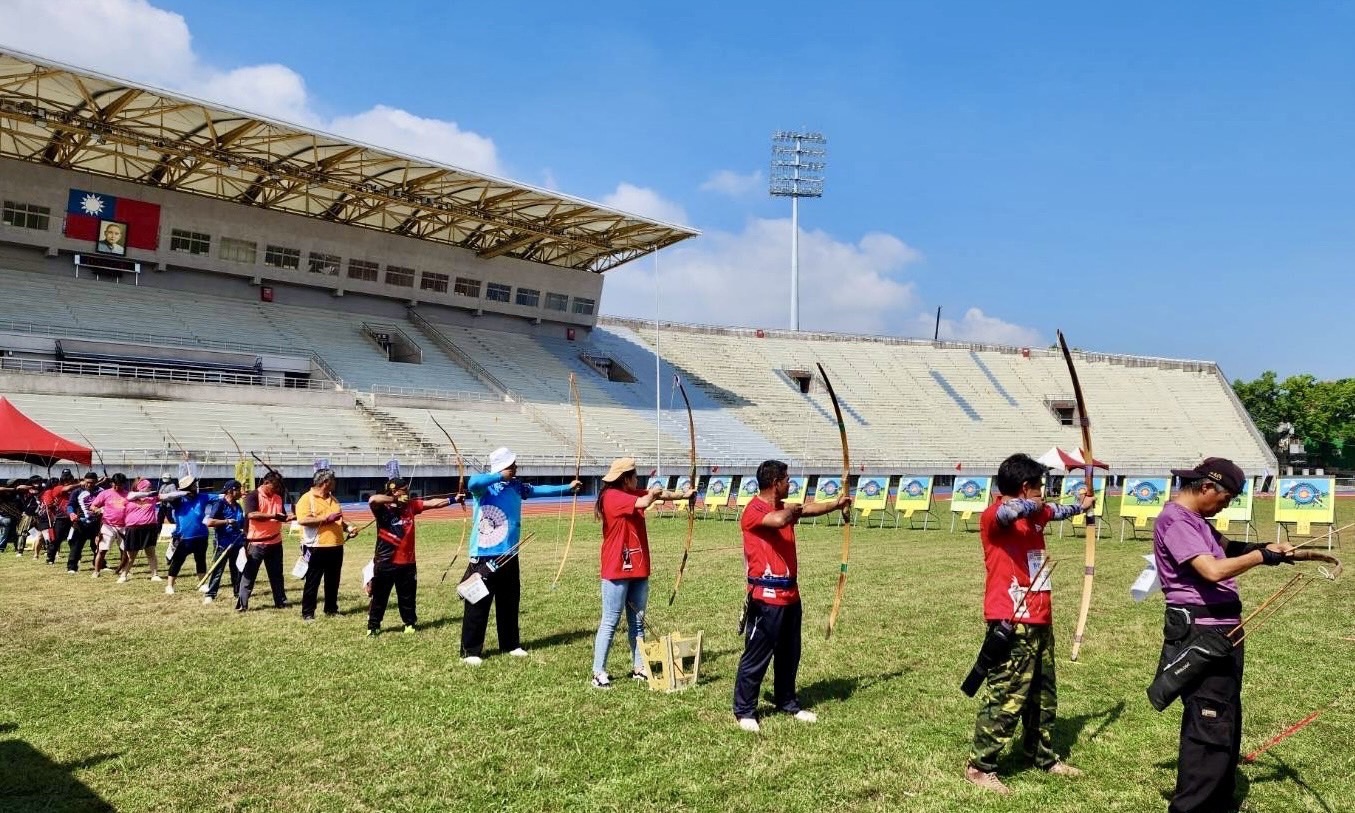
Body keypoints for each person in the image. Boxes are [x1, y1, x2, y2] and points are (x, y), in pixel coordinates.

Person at [1153, 458, 1295, 813]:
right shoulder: (1175, 519)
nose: (1227, 504)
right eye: (1226, 497)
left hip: (1222, 630)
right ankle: (1193, 807)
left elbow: (1226, 548)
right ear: (1205, 488)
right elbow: (1212, 570)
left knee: (1225, 715)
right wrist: (1261, 558)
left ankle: (1218, 801)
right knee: (1209, 719)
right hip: (1202, 633)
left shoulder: (1197, 521)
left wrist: (1263, 548)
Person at [965, 453, 1092, 794]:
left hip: (1039, 618)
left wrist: (1081, 505)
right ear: (1024, 488)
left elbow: (1057, 511)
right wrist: (1033, 504)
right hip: (1011, 619)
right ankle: (980, 766)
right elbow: (1014, 510)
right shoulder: (996, 516)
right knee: (1007, 695)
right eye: (1040, 486)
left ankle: (1042, 756)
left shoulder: (1035, 514)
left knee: (1042, 695)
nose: (1044, 493)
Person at [732, 459, 852, 733]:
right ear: (775, 484)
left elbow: (806, 509)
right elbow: (779, 519)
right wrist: (795, 510)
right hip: (765, 596)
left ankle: (787, 701)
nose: (790, 483)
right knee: (757, 655)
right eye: (787, 479)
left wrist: (836, 503)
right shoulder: (754, 510)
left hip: (790, 596)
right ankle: (744, 710)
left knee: (790, 653)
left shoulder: (783, 507)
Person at [459, 447, 581, 664]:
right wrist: (498, 476)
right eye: (512, 465)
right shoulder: (486, 488)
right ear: (503, 467)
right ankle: (471, 651)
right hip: (485, 555)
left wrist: (568, 487)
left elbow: (539, 490)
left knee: (509, 601)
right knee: (477, 603)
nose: (515, 468)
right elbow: (472, 483)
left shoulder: (516, 486)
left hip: (509, 553)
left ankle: (510, 644)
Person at [589, 457, 693, 688]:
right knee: (611, 621)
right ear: (625, 479)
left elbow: (657, 495)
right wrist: (654, 493)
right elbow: (646, 501)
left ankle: (639, 667)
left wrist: (684, 496)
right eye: (635, 476)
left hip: (638, 566)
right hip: (616, 567)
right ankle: (598, 671)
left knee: (637, 620)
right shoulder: (612, 496)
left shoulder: (630, 492)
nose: (637, 480)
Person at [365, 477, 452, 636]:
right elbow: (372, 499)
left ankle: (409, 623)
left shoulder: (410, 506)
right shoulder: (382, 508)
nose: (407, 492)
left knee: (407, 596)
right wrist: (395, 500)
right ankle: (373, 625)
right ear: (394, 490)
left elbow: (432, 503)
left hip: (407, 562)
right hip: (386, 560)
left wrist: (453, 499)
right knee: (380, 596)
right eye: (404, 490)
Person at [296, 469, 354, 621]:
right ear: (325, 482)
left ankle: (331, 609)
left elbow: (338, 520)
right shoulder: (306, 499)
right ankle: (308, 613)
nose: (335, 483)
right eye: (333, 480)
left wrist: (348, 528)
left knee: (333, 580)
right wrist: (326, 518)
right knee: (313, 581)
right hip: (316, 546)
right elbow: (303, 520)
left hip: (336, 545)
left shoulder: (333, 499)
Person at [236, 471, 295, 612]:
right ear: (266, 483)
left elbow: (282, 517)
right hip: (256, 543)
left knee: (276, 574)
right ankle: (242, 604)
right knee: (249, 575)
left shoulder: (278, 497)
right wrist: (272, 515)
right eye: (274, 487)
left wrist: (293, 516)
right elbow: (251, 514)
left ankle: (280, 601)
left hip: (275, 541)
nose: (276, 490)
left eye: (278, 488)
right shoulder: (253, 496)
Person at [161, 476, 213, 595]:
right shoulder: (178, 500)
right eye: (193, 486)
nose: (196, 487)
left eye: (195, 485)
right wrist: (183, 492)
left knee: (200, 560)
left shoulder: (202, 497)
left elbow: (220, 497)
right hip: (183, 537)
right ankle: (169, 585)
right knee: (177, 561)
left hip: (201, 536)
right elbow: (164, 497)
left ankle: (202, 583)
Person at [202, 480, 246, 606]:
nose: (240, 492)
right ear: (230, 491)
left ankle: (237, 592)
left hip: (236, 542)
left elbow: (241, 523)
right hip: (222, 543)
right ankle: (210, 594)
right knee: (217, 570)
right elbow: (210, 522)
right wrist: (226, 521)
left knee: (237, 569)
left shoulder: (238, 506)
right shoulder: (220, 504)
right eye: (238, 489)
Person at [117, 478, 162, 582]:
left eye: (151, 487)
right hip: (133, 529)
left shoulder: (153, 498)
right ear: (140, 488)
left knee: (151, 552)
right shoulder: (130, 496)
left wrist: (183, 492)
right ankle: (124, 575)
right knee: (131, 556)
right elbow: (132, 495)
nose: (151, 489)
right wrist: (148, 493)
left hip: (149, 528)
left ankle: (154, 574)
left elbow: (168, 496)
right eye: (148, 487)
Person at [88, 473, 131, 577]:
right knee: (102, 549)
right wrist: (97, 509)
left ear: (124, 484)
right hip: (108, 525)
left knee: (125, 551)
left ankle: (123, 570)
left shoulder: (128, 495)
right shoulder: (105, 493)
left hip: (124, 526)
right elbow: (92, 506)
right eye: (115, 484)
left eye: (120, 485)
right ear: (112, 483)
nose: (117, 487)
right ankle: (96, 571)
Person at [64, 472, 102, 574]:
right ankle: (72, 567)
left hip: (97, 523)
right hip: (81, 522)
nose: (90, 484)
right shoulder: (77, 492)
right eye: (88, 482)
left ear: (97, 481)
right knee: (76, 545)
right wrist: (71, 513)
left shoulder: (101, 492)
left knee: (98, 545)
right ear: (84, 480)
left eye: (92, 482)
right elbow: (70, 505)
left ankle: (100, 564)